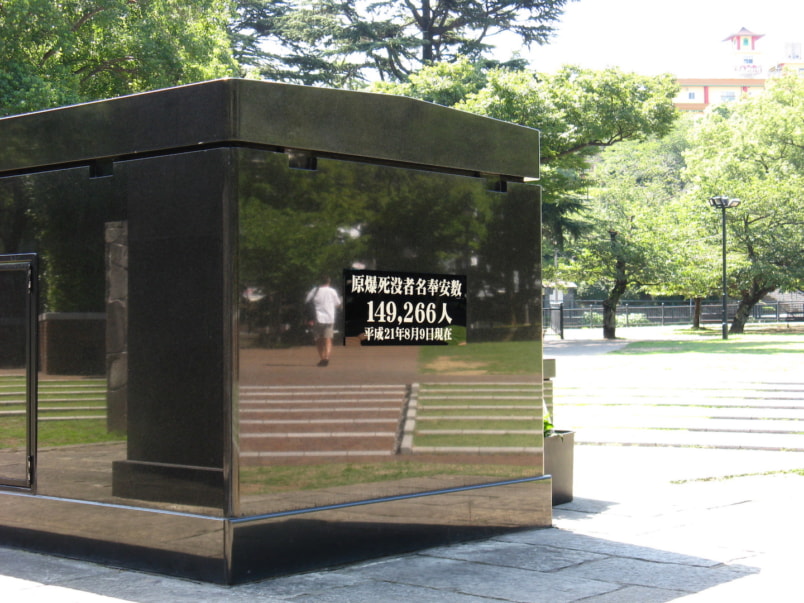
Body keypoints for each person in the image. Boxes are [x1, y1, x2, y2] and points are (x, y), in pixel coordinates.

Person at [305, 276, 341, 366]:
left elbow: (307, 301)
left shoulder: (314, 290)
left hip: (317, 317)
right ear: (329, 282)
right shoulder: (332, 291)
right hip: (329, 318)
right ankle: (327, 357)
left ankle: (322, 357)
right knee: (328, 339)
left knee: (318, 339)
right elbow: (338, 304)